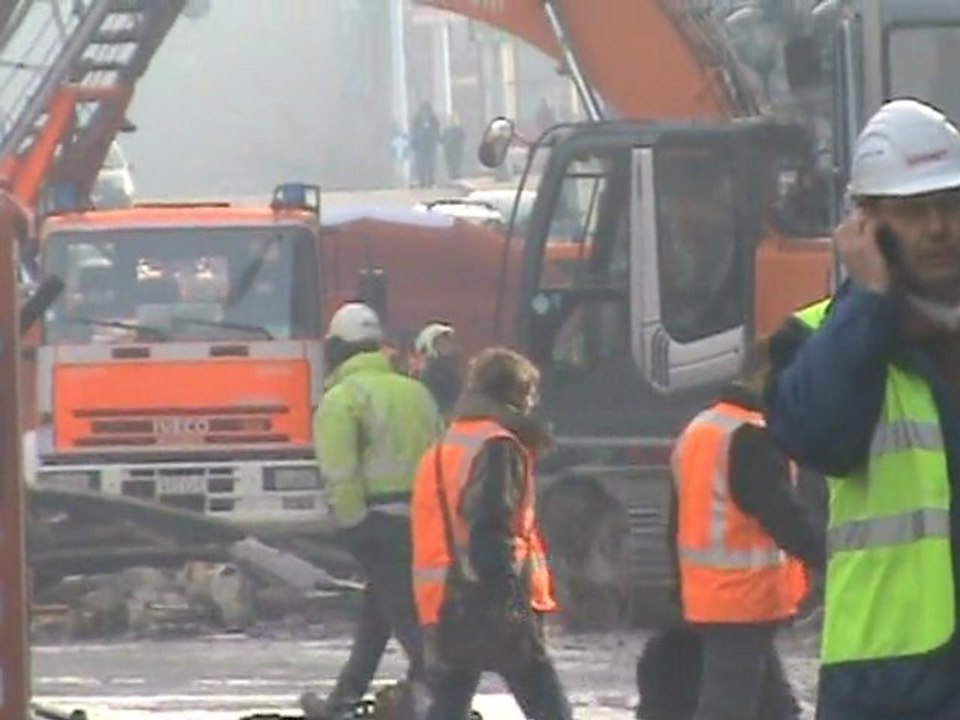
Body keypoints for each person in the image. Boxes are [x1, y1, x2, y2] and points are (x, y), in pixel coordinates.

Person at [764, 99, 960, 720]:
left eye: (950, 205)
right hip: (890, 683)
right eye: (911, 211)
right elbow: (822, 438)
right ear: (865, 225)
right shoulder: (822, 338)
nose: (937, 228)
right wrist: (870, 300)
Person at [410, 348, 574, 720]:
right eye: (530, 395)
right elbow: (490, 526)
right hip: (492, 597)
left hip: (445, 599)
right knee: (547, 703)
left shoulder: (442, 447)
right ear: (516, 394)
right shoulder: (499, 447)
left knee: (451, 699)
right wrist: (511, 598)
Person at [668, 343, 824, 720]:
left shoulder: (701, 429)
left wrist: (679, 586)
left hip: (712, 596)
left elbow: (674, 520)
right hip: (745, 599)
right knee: (728, 708)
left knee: (774, 706)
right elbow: (782, 515)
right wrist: (831, 557)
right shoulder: (751, 437)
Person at [301, 302, 441, 720]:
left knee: (405, 621)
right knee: (378, 615)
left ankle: (436, 702)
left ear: (337, 348)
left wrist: (353, 528)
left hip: (377, 521)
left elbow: (340, 474)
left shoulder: (342, 399)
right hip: (427, 521)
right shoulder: (417, 391)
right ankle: (344, 700)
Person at [414, 322, 462, 419]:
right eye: (441, 342)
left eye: (449, 341)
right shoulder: (431, 375)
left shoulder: (452, 373)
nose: (448, 346)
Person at [411, 101, 440, 189]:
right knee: (428, 163)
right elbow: (436, 129)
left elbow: (414, 131)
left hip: (424, 144)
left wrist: (415, 142)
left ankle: (425, 181)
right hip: (427, 144)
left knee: (424, 163)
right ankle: (428, 182)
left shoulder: (419, 117)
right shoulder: (431, 117)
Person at [441, 113, 466, 182]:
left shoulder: (457, 129)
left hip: (453, 149)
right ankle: (453, 175)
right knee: (453, 163)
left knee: (454, 163)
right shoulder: (448, 130)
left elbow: (442, 140)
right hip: (452, 149)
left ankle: (454, 175)